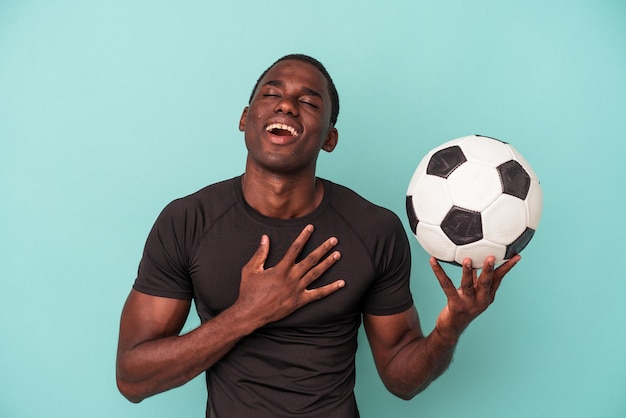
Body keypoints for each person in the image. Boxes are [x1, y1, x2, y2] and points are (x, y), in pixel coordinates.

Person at [115, 53, 520, 417]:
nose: (287, 105)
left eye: (308, 102)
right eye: (271, 94)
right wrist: (245, 314)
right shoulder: (187, 220)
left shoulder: (373, 229)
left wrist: (450, 331)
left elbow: (401, 381)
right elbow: (132, 380)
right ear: (245, 118)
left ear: (329, 138)